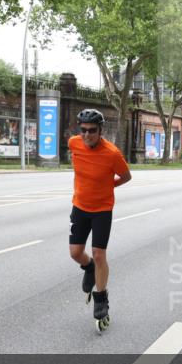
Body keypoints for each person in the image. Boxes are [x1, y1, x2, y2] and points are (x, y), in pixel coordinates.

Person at [68, 108, 132, 333]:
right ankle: (89, 268)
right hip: (80, 207)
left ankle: (101, 299)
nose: (87, 135)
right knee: (75, 253)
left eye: (92, 131)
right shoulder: (73, 143)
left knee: (99, 253)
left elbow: (126, 176)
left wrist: (109, 186)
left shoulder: (112, 153)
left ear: (100, 130)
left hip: (102, 210)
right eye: (83, 130)